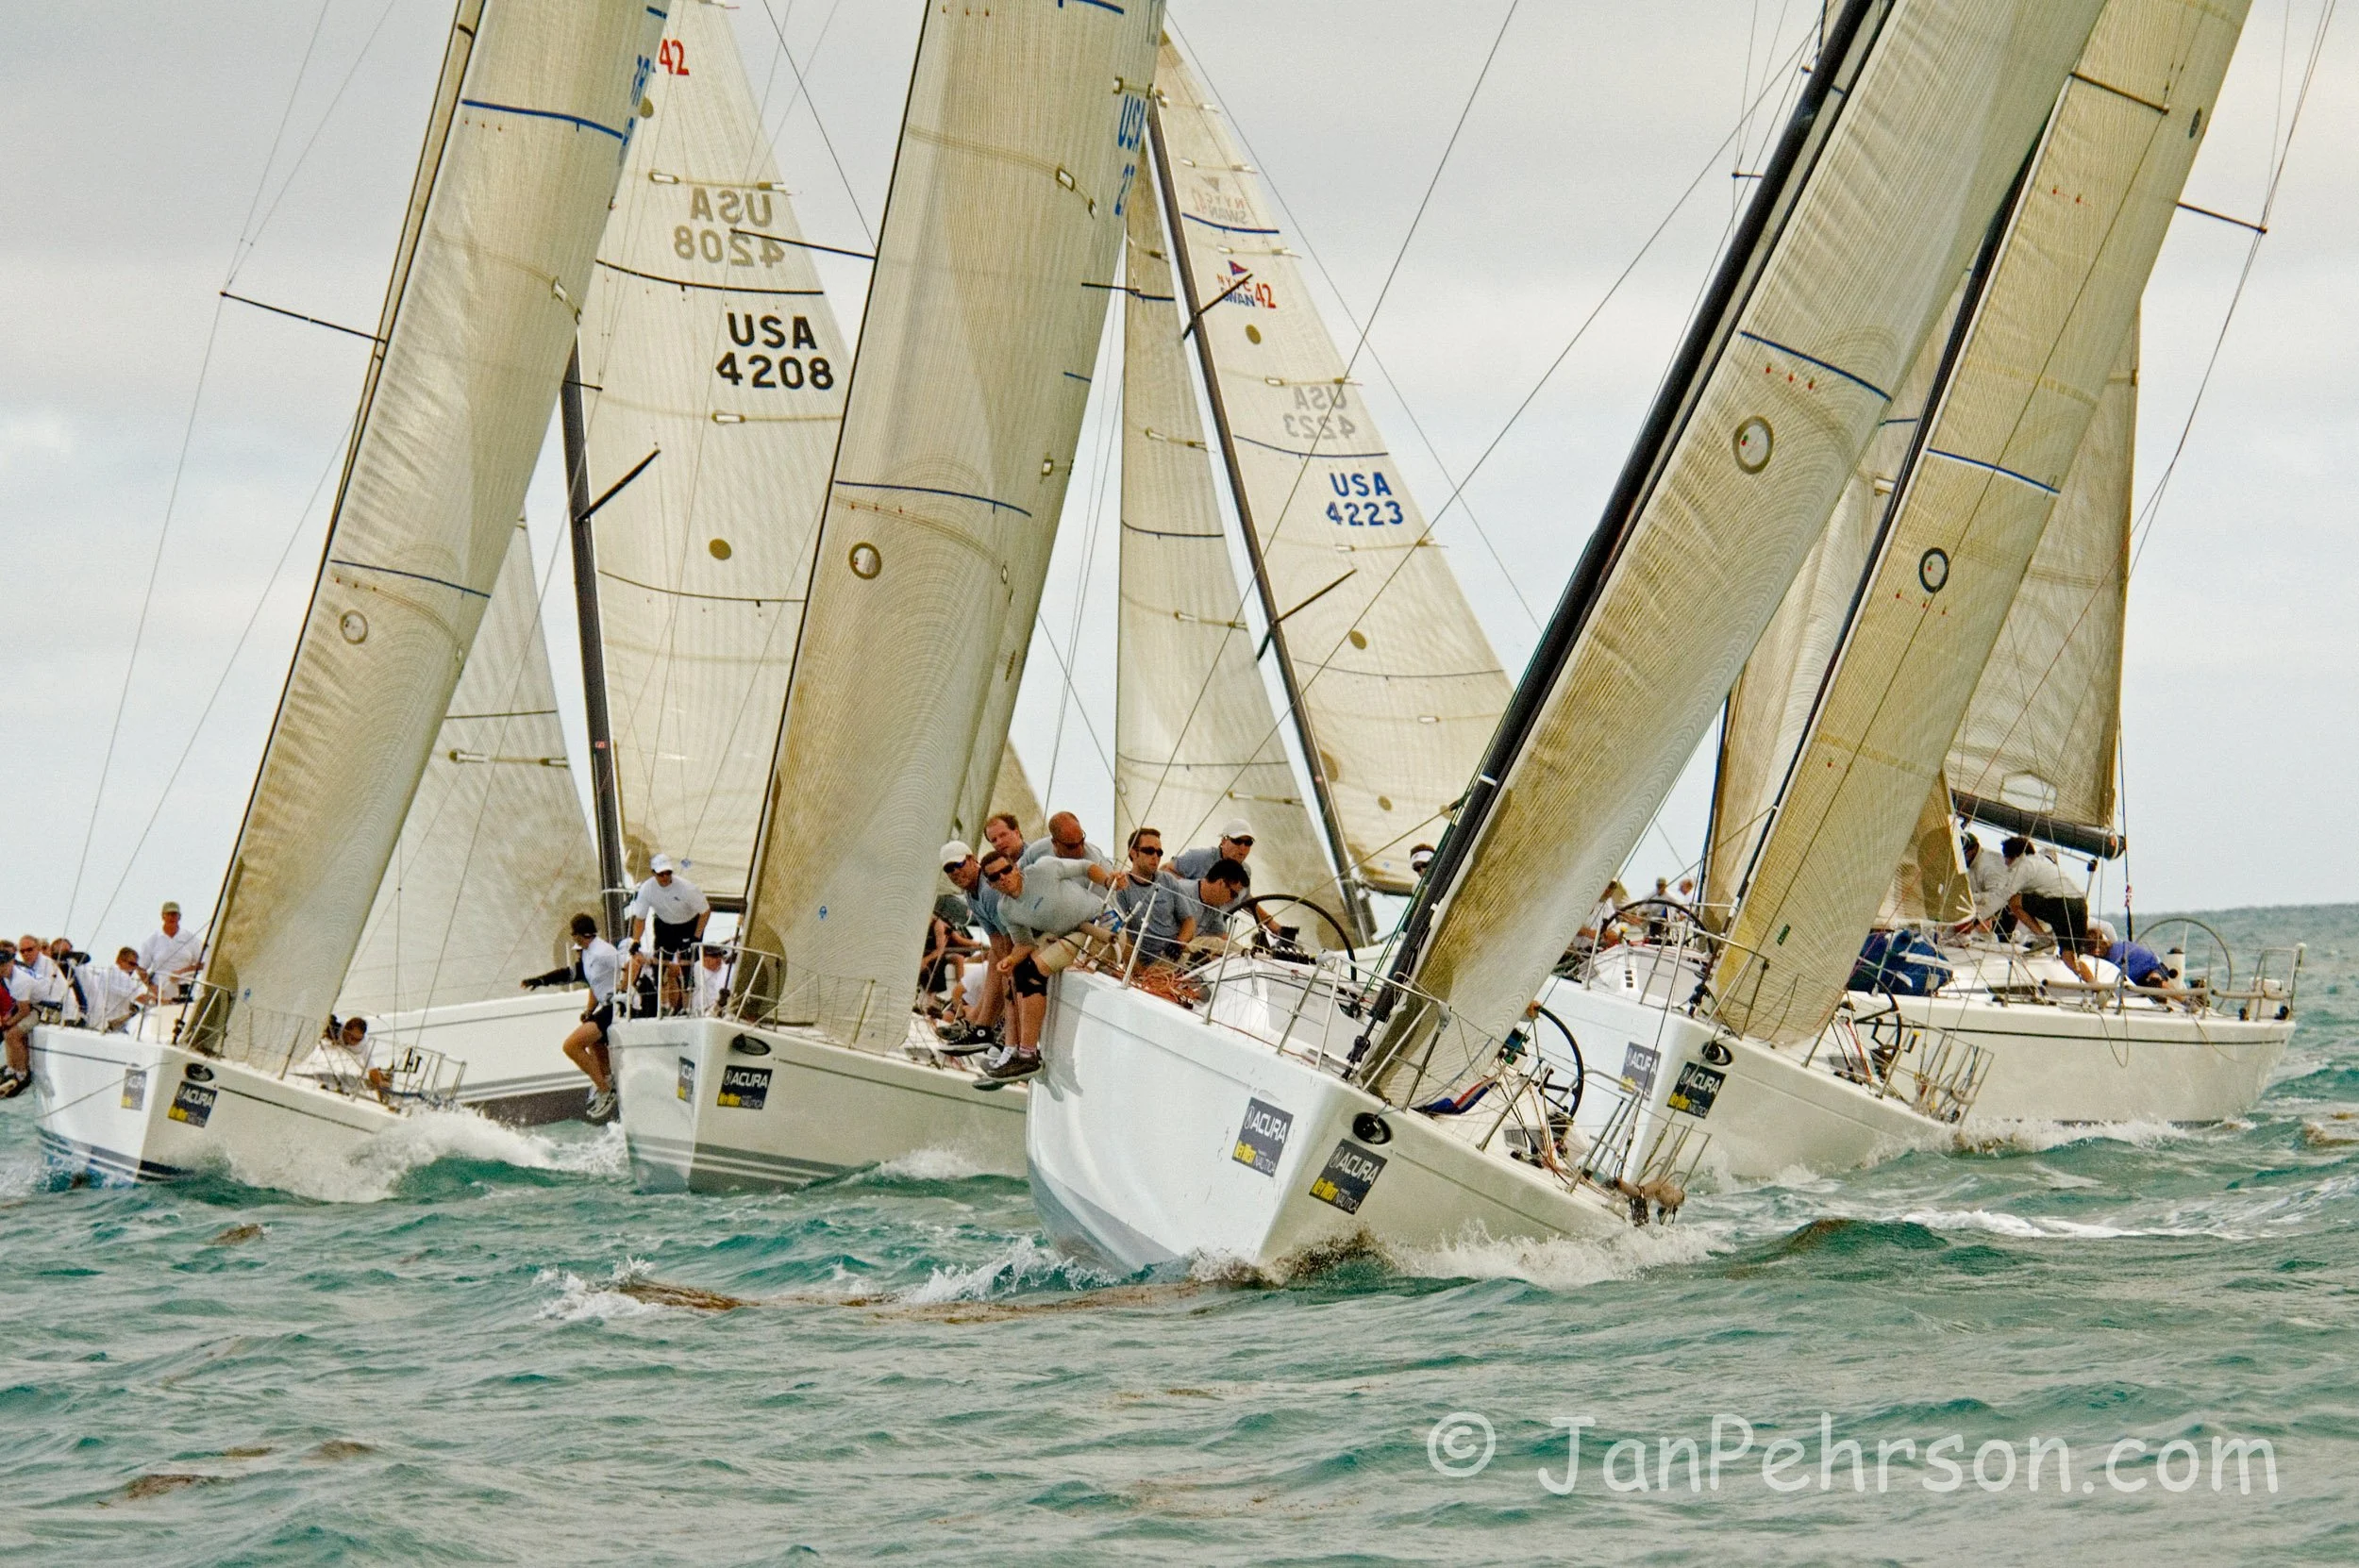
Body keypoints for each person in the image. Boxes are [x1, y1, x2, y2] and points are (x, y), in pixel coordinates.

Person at [978, 844, 1115, 1079]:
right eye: (995, 877)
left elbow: (1086, 867)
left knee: (1032, 972)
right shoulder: (1006, 909)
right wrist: (1010, 959)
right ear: (990, 884)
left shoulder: (1044, 869)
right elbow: (1024, 944)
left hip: (1098, 926)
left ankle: (1028, 1055)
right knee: (1019, 972)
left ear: (1016, 868)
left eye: (1006, 870)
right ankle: (1021, 1051)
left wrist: (1108, 880)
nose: (1003, 878)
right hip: (1069, 934)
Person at [523, 913, 624, 1119]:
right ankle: (606, 1080)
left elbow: (627, 966)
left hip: (617, 1006)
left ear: (580, 935)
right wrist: (540, 981)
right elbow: (586, 981)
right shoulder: (587, 953)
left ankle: (605, 1090)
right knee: (594, 1042)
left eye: (574, 934)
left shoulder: (603, 952)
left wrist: (627, 991)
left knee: (571, 1046)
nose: (573, 938)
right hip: (606, 1006)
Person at [937, 841, 1008, 1049]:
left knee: (1003, 969)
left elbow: (1009, 937)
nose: (955, 872)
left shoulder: (988, 891)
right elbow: (996, 939)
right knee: (996, 961)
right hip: (1005, 944)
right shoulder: (970, 895)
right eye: (949, 869)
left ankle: (985, 1026)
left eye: (958, 865)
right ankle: (981, 1025)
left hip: (1025, 942)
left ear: (972, 859)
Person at [626, 854, 711, 1013]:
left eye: (668, 873)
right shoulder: (647, 889)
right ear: (653, 873)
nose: (665, 877)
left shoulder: (687, 888)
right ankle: (662, 1006)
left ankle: (687, 1008)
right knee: (659, 966)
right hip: (664, 924)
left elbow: (705, 912)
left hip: (689, 924)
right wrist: (636, 940)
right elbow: (640, 918)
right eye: (660, 874)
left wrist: (696, 936)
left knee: (687, 968)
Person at [1171, 819, 1280, 935]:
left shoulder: (1245, 871)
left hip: (1216, 927)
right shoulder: (1200, 857)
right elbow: (1166, 871)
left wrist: (1272, 924)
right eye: (1237, 841)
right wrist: (1190, 894)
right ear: (1224, 841)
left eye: (1248, 843)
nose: (1243, 847)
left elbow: (1245, 899)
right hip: (1186, 925)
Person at [1108, 826, 1196, 969]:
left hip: (1178, 953)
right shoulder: (1121, 887)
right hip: (1153, 965)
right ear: (1133, 853)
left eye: (1159, 852)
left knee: (1221, 948)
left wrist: (1179, 943)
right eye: (1149, 851)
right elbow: (1121, 935)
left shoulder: (1168, 880)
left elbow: (1189, 921)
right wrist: (1138, 972)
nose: (1155, 856)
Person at [2000, 837, 2088, 948]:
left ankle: (2043, 939)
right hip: (2080, 904)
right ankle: (2048, 943)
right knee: (2069, 954)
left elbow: (2004, 895)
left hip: (2062, 904)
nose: (2005, 862)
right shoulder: (2044, 862)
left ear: (2015, 856)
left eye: (2006, 857)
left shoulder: (2025, 865)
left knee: (2014, 901)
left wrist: (1981, 915)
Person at [302, 1016, 392, 1097]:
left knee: (374, 1077)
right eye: (352, 1038)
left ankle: (384, 1078)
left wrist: (379, 1085)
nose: (355, 1042)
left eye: (358, 1039)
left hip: (353, 1059)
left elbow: (372, 1069)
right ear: (345, 1030)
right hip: (330, 1053)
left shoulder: (363, 1045)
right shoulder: (335, 1028)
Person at [138, 902, 204, 1004]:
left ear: (179, 917)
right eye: (168, 914)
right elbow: (141, 968)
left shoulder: (190, 938)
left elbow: (205, 963)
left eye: (174, 914)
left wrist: (182, 971)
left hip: (185, 994)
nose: (171, 917)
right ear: (163, 917)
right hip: (161, 995)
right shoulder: (153, 939)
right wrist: (151, 986)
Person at [73, 948, 145, 1034]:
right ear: (120, 961)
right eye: (131, 964)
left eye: (136, 966)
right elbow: (140, 998)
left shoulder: (105, 973)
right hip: (108, 1026)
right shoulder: (121, 976)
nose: (133, 968)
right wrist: (156, 999)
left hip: (98, 1022)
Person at [1019, 809, 1114, 872]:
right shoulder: (1037, 851)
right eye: (1071, 846)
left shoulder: (1097, 864)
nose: (1080, 850)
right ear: (1055, 843)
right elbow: (1017, 874)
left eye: (1082, 841)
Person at [0, 942, 37, 1098]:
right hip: (31, 1005)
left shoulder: (19, 980)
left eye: (3, 965)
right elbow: (18, 1004)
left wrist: (9, 1022)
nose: (1, 968)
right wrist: (8, 1019)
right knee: (7, 1032)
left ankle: (22, 1074)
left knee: (13, 1034)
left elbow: (24, 1011)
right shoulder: (8, 977)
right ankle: (11, 1068)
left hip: (42, 1008)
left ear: (11, 963)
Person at [1961, 833, 2012, 933]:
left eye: (1964, 854)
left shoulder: (1989, 865)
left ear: (1974, 848)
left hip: (2001, 915)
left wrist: (1969, 897)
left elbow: (1997, 896)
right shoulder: (1971, 864)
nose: (1961, 859)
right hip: (1981, 913)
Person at [689, 944, 734, 1018]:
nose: (718, 958)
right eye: (714, 956)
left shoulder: (728, 970)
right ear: (704, 958)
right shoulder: (697, 967)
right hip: (701, 1010)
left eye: (720, 955)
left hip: (722, 1009)